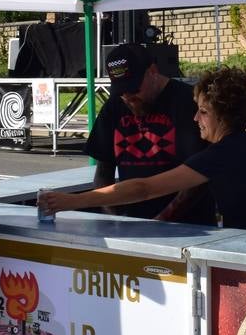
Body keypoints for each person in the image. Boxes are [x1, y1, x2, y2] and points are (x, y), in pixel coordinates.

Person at [43, 67, 246, 234]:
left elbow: (143, 188)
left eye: (203, 111)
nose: (196, 119)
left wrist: (70, 202)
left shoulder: (225, 153)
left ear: (223, 115)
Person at [85, 43, 215, 223]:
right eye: (121, 91)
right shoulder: (115, 105)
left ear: (152, 71)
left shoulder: (188, 102)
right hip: (132, 223)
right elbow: (103, 170)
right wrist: (114, 217)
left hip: (189, 226)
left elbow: (198, 177)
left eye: (134, 88)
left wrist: (161, 220)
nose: (128, 97)